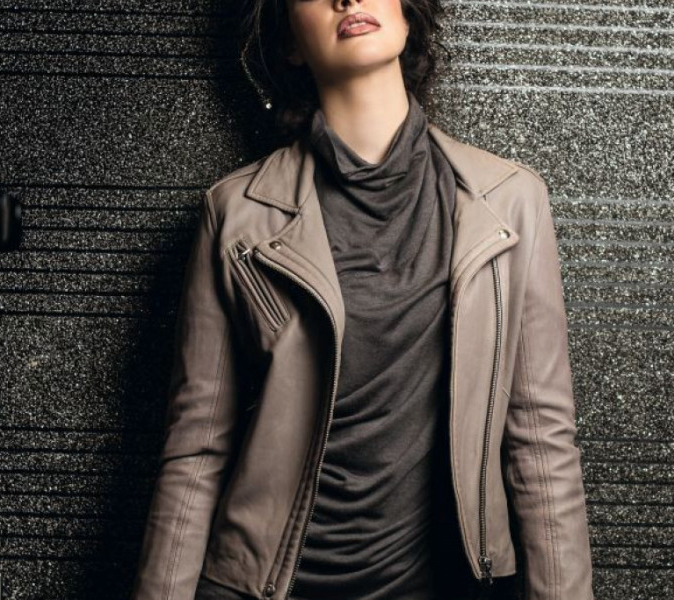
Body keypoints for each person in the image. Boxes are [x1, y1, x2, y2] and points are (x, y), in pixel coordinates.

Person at [129, 1, 594, 599]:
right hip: (264, 586)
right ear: (289, 43)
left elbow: (541, 441)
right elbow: (197, 448)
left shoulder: (510, 201)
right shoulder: (237, 214)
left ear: (408, 15)